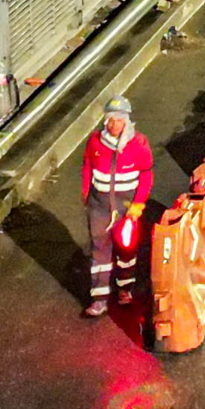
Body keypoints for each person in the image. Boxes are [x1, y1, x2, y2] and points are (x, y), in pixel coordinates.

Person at [80, 96, 153, 315]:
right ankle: (99, 299)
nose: (113, 125)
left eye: (118, 120)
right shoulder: (94, 142)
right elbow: (87, 167)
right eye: (110, 120)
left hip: (126, 210)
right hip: (99, 207)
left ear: (126, 121)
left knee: (126, 250)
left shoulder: (138, 144)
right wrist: (85, 194)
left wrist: (136, 207)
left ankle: (124, 289)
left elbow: (147, 175)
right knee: (99, 252)